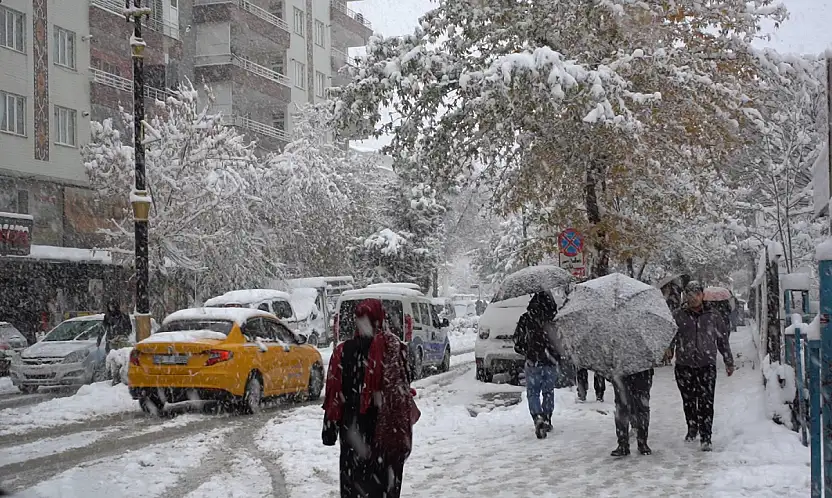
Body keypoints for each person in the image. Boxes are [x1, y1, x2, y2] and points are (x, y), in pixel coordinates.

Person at [322, 299, 419, 498]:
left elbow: (334, 394)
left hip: (353, 431)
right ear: (381, 319)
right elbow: (404, 386)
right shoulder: (394, 348)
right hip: (385, 429)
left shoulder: (342, 351)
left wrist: (330, 429)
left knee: (354, 487)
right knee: (384, 487)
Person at [666, 281, 734, 452]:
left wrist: (728, 360)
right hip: (684, 365)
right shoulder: (678, 315)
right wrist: (669, 349)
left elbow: (722, 340)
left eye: (696, 294)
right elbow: (671, 336)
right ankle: (692, 427)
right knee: (688, 400)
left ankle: (706, 436)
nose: (693, 298)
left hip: (706, 365)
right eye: (689, 294)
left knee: (706, 401)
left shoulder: (713, 316)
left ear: (702, 296)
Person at [513, 291, 561, 439]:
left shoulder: (526, 319)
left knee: (533, 392)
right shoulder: (555, 319)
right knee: (548, 391)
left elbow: (517, 341)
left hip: (533, 361)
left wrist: (528, 352)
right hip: (550, 361)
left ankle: (537, 417)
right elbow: (561, 340)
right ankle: (547, 417)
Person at [609, 369, 654, 456]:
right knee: (622, 406)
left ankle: (642, 441)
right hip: (621, 371)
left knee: (641, 406)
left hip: (641, 371)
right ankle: (623, 443)